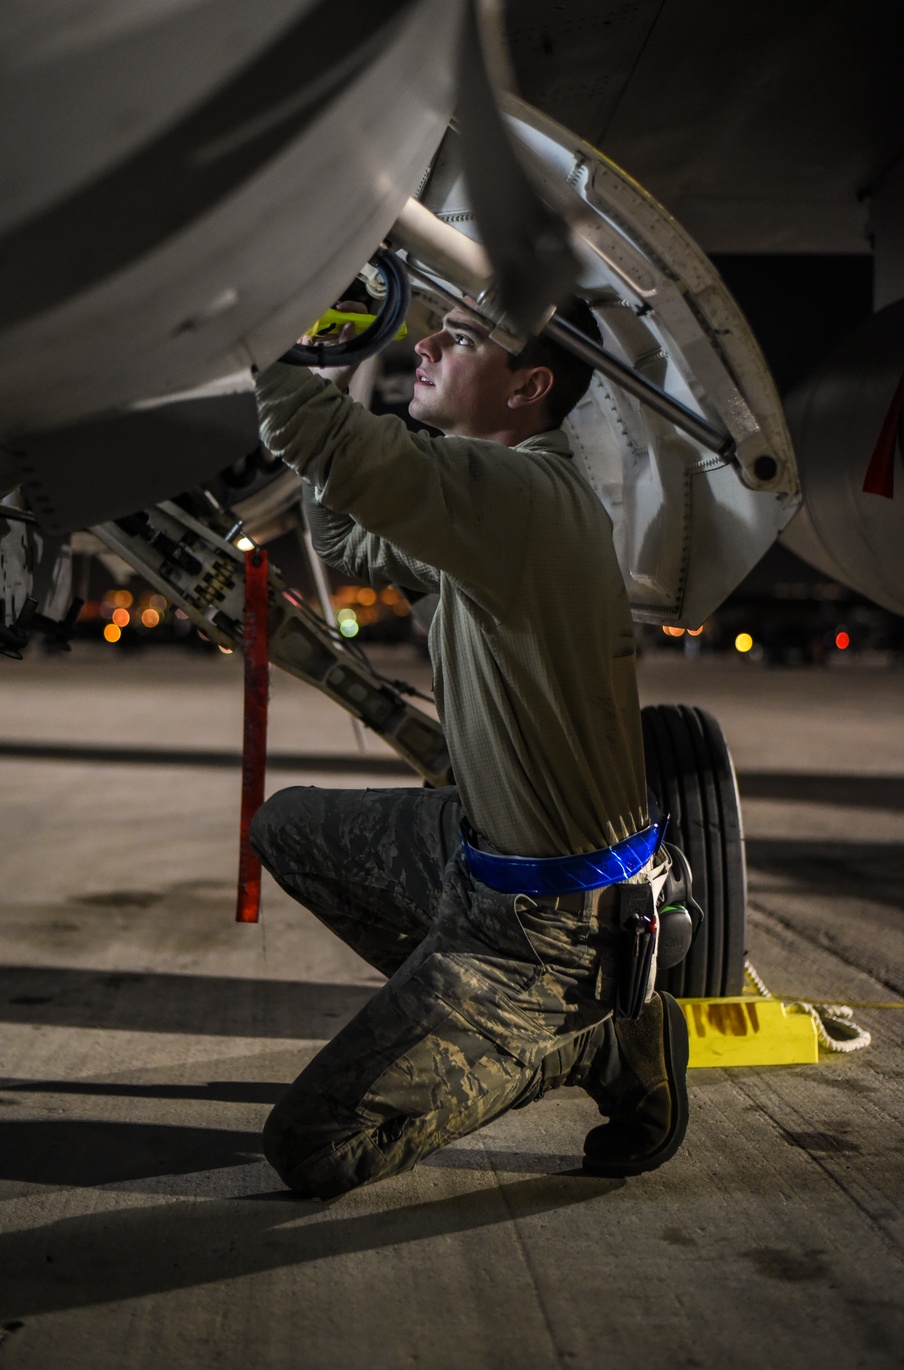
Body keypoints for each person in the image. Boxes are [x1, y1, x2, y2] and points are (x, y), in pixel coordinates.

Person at [249, 298, 688, 1199]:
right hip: (480, 862)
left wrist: (264, 321)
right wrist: (336, 362)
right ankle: (465, 1010)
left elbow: (316, 437)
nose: (427, 343)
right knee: (287, 828)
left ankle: (577, 1036)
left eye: (462, 337)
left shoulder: (524, 500)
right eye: (435, 328)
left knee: (315, 1145)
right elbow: (341, 535)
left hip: (554, 929)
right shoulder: (490, 504)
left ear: (529, 386)